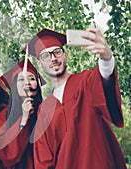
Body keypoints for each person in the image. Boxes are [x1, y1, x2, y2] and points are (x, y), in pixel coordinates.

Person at [24, 28, 126, 169]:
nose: (53, 58)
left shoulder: (85, 82)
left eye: (57, 52)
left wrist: (106, 58)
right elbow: (43, 158)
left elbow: (104, 78)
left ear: (65, 56)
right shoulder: (44, 110)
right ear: (39, 63)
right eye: (45, 56)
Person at [0, 59, 44, 169]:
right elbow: (6, 154)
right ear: (14, 87)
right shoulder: (4, 116)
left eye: (32, 78)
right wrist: (24, 119)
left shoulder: (46, 112)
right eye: (21, 79)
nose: (27, 82)